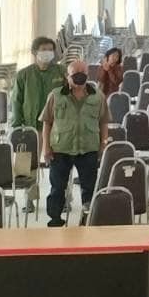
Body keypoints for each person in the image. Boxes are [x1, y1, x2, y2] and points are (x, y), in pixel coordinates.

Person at [39, 58, 109, 227]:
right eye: (75, 73)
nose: (79, 76)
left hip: (88, 148)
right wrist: (45, 147)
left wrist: (103, 143)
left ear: (88, 74)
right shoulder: (55, 95)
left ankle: (88, 220)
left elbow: (104, 121)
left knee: (89, 187)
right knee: (57, 188)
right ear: (67, 76)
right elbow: (47, 122)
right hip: (60, 148)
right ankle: (55, 220)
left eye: (83, 73)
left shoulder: (98, 96)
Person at [12, 36, 66, 129]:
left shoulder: (61, 71)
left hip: (55, 122)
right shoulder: (23, 74)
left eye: (50, 50)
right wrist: (17, 125)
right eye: (44, 49)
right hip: (32, 123)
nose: (47, 52)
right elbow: (17, 100)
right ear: (34, 52)